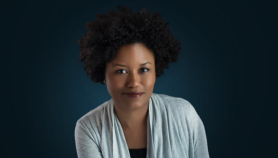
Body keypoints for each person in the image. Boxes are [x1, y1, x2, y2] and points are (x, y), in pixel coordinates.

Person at [75, 5, 210, 158]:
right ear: (103, 75)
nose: (134, 82)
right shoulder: (89, 127)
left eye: (144, 70)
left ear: (156, 70)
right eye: (121, 71)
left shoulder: (185, 115)